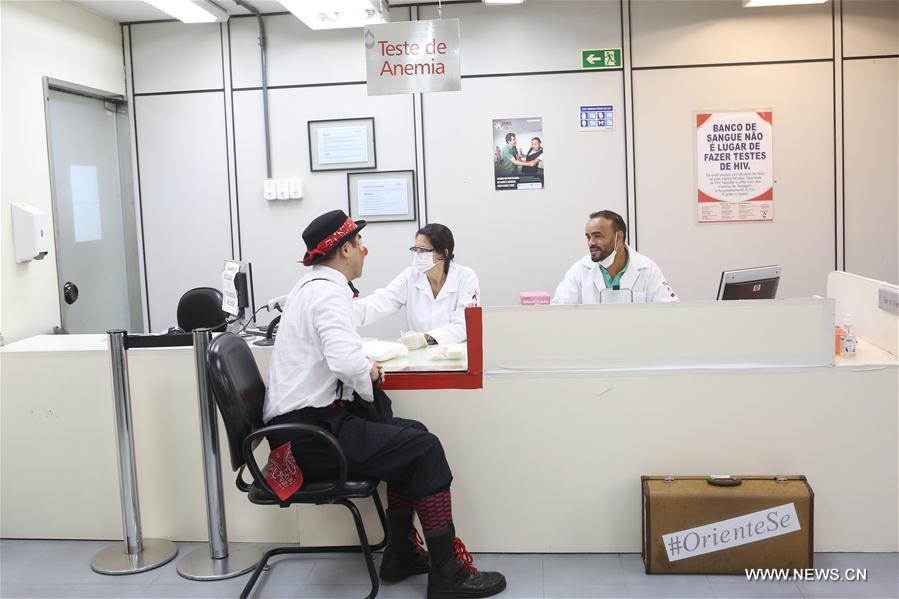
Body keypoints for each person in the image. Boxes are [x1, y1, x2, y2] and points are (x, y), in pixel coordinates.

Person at [264, 210, 506, 598]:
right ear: (345, 249)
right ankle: (448, 574)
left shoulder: (316, 287)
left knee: (414, 435)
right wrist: (370, 374)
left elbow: (353, 329)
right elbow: (345, 361)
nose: (364, 251)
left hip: (303, 431)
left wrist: (367, 368)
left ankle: (401, 555)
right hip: (310, 437)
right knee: (424, 449)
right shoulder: (327, 293)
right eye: (358, 244)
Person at [354, 223, 479, 349]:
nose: (417, 255)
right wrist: (345, 311)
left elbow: (464, 326)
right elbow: (381, 301)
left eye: (423, 251)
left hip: (455, 356)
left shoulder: (465, 277)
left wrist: (425, 338)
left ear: (442, 254)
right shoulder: (411, 276)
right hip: (420, 356)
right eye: (415, 250)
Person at [552, 210, 678, 304]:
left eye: (598, 236)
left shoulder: (647, 269)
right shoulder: (579, 271)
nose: (591, 243)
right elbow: (559, 312)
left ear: (619, 237)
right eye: (588, 237)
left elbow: (669, 311)